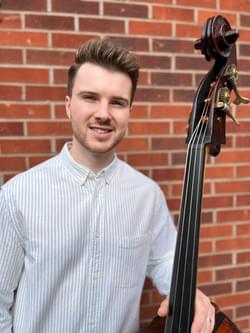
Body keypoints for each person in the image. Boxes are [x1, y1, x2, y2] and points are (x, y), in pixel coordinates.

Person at [0, 38, 215, 333]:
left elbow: (168, 261)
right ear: (68, 105)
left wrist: (192, 295)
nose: (103, 113)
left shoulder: (147, 196)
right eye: (90, 97)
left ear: (129, 111)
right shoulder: (18, 195)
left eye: (117, 102)